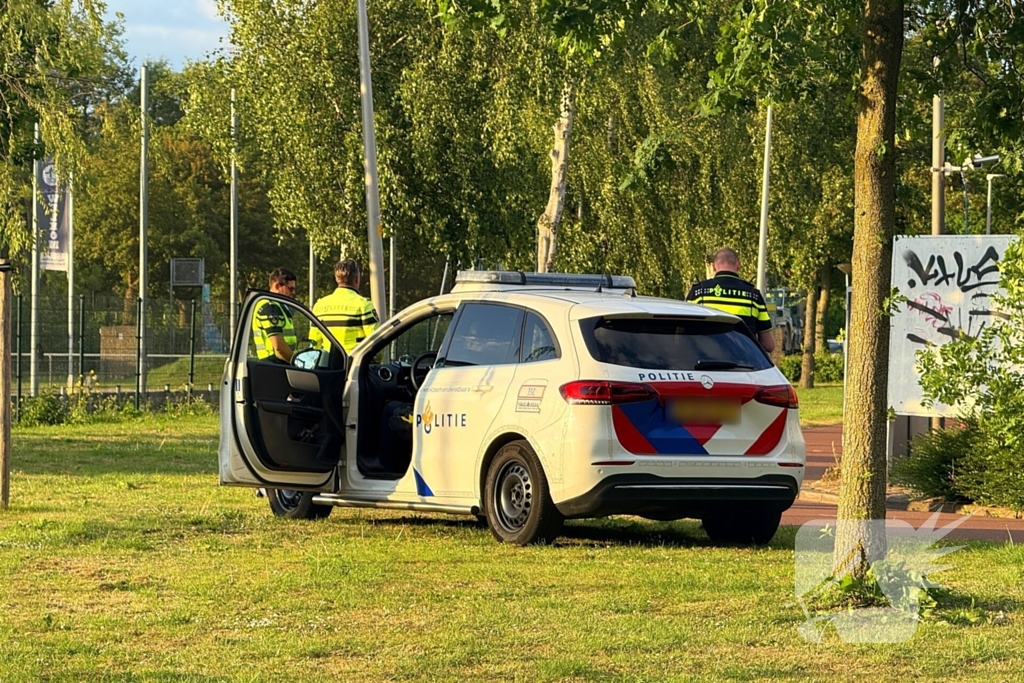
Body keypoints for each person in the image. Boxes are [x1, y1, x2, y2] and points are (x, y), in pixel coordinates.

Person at [686, 247, 776, 353]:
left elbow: (683, 336)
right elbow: (769, 345)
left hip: (703, 362)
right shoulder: (754, 296)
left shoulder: (698, 293)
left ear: (714, 266)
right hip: (743, 364)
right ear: (739, 265)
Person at [310, 259, 380, 353]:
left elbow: (315, 343)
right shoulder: (364, 305)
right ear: (356, 279)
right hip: (355, 365)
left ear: (336, 278)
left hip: (328, 365)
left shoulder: (319, 306)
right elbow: (375, 342)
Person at [252, 267, 299, 362]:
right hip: (274, 364)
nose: (293, 292)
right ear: (277, 286)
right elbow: (279, 348)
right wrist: (297, 363)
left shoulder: (278, 305)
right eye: (290, 289)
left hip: (277, 363)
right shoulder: (270, 307)